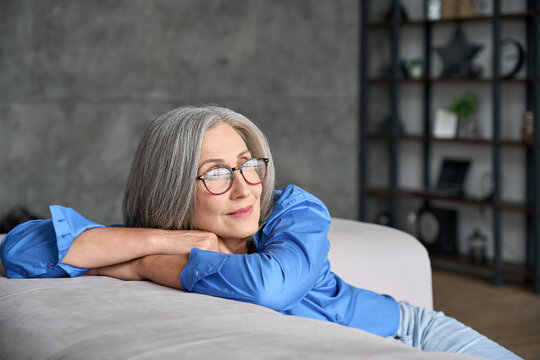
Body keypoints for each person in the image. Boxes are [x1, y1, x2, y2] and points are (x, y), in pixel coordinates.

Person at [0, 105, 521, 359]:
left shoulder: (295, 213)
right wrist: (168, 242)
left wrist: (144, 264)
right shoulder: (172, 240)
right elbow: (18, 250)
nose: (245, 188)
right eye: (217, 173)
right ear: (170, 188)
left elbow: (271, 287)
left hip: (414, 335)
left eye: (249, 164)